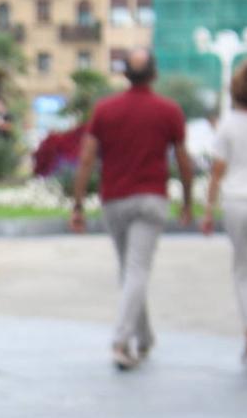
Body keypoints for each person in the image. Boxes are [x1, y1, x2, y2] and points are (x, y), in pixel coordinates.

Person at [70, 48, 194, 370]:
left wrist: (79, 202)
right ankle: (124, 341)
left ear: (124, 74)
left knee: (130, 269)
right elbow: (183, 159)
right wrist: (189, 201)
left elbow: (86, 159)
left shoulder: (105, 110)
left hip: (115, 199)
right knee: (135, 270)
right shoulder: (168, 111)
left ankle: (143, 337)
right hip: (152, 198)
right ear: (154, 74)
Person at [202, 58, 247, 364]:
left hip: (237, 202)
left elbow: (217, 172)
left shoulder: (229, 124)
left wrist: (207, 211)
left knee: (244, 270)